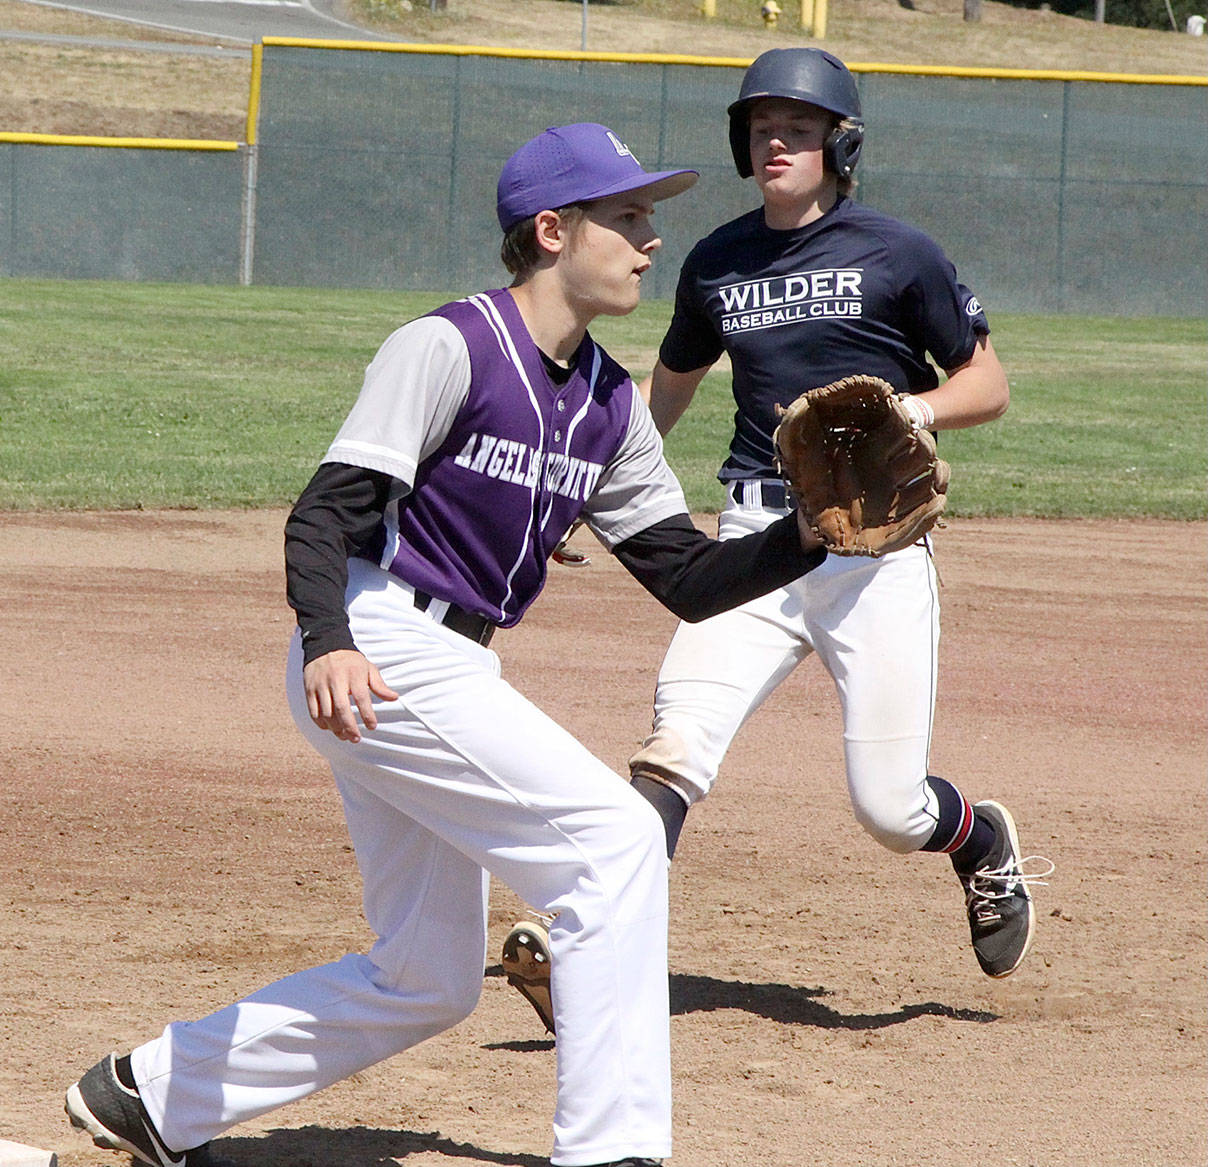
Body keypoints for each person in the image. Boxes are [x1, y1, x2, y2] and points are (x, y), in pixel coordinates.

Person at [63, 121, 829, 1167]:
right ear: (552, 230)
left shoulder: (610, 403)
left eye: (651, 215)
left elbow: (685, 579)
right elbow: (323, 515)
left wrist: (810, 534)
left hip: (448, 663)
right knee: (613, 843)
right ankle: (613, 1151)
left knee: (425, 979)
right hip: (377, 641)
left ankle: (150, 1095)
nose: (652, 239)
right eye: (629, 215)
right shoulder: (450, 345)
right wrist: (327, 640)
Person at [503, 50, 1051, 1034]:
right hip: (757, 536)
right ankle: (582, 942)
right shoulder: (715, 261)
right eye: (760, 126)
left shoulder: (898, 253)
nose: (774, 142)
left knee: (890, 811)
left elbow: (988, 384)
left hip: (874, 548)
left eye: (796, 126)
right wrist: (579, 483)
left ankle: (974, 839)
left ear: (838, 143)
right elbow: (663, 391)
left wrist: (908, 412)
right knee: (676, 740)